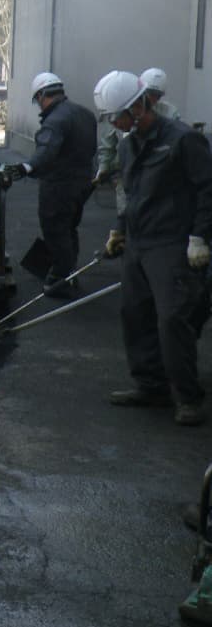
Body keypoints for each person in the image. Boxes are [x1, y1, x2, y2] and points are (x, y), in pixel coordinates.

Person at [94, 69, 212, 426]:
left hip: (173, 245)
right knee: (135, 314)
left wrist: (199, 237)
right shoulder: (129, 144)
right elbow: (131, 195)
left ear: (140, 106)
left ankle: (188, 398)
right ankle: (151, 386)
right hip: (140, 243)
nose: (114, 123)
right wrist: (119, 231)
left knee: (172, 320)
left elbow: (208, 189)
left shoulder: (183, 140)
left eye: (118, 116)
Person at [0, 72, 97, 297]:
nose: (39, 106)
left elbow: (47, 151)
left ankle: (60, 278)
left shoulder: (55, 121)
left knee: (55, 230)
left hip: (59, 185)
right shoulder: (85, 114)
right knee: (69, 228)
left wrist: (26, 168)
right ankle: (69, 272)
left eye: (38, 100)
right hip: (82, 182)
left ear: (42, 94)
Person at [94, 67, 179, 216]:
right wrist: (104, 167)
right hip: (127, 176)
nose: (153, 99)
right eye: (149, 94)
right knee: (128, 211)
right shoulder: (126, 141)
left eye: (156, 95)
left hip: (160, 187)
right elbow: (107, 143)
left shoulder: (174, 123)